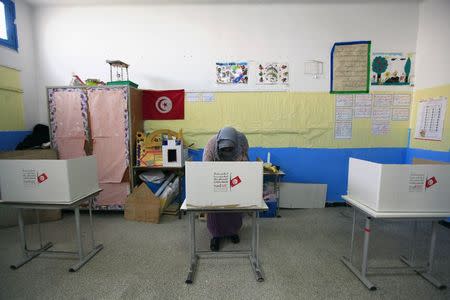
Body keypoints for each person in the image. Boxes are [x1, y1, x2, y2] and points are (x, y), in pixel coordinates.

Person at [202, 126, 249, 251]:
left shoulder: (242, 140)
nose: (227, 151)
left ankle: (233, 231)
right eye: (225, 149)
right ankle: (216, 235)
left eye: (230, 149)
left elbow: (245, 158)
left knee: (234, 204)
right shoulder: (211, 145)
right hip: (216, 176)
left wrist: (242, 163)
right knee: (217, 207)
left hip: (235, 173)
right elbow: (205, 168)